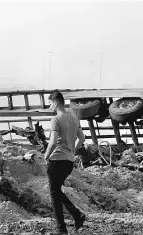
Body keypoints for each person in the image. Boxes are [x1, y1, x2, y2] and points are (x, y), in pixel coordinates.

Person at [44, 91, 86, 235]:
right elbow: (82, 138)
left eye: (49, 103)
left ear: (55, 103)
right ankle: (77, 215)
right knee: (56, 190)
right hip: (68, 161)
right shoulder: (74, 118)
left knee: (54, 194)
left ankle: (61, 229)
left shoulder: (55, 119)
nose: (49, 106)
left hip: (56, 160)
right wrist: (72, 151)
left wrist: (46, 156)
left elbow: (53, 141)